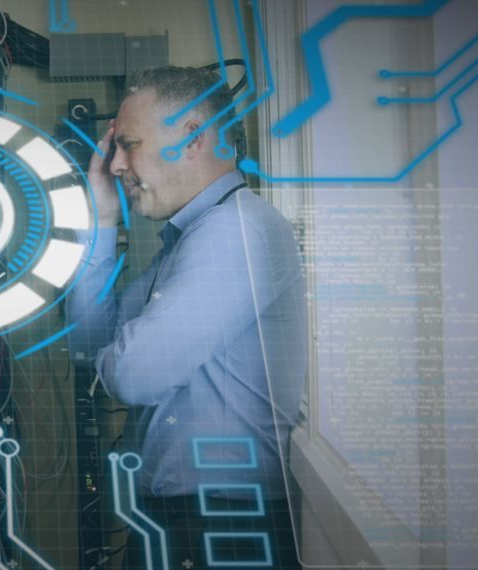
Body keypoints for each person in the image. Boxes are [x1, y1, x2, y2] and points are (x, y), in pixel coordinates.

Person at [65, 66, 308, 569]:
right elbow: (87, 344)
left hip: (225, 528)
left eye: (128, 144)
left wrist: (121, 357)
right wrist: (102, 220)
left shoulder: (235, 231)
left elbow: (132, 377)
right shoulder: (187, 242)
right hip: (186, 522)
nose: (115, 165)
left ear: (193, 138)